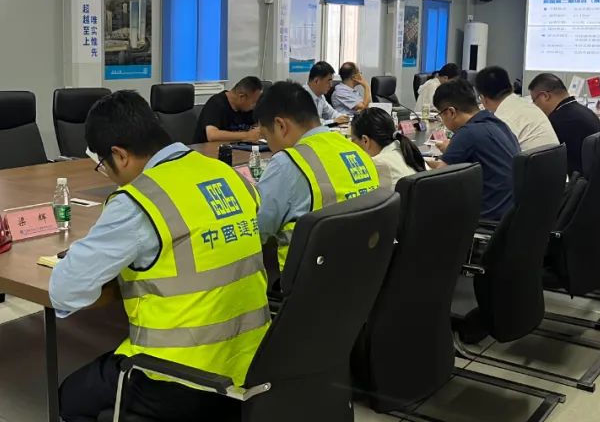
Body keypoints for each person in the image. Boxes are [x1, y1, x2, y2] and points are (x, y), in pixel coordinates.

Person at [53, 91, 269, 422]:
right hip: (252, 367)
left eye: (103, 165)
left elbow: (65, 290)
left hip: (178, 379)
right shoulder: (228, 174)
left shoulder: (139, 199)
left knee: (68, 399)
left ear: (119, 155)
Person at [256, 81, 378, 270]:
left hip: (306, 279)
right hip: (366, 271)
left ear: (280, 125)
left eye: (266, 136)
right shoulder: (356, 150)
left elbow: (256, 231)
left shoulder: (287, 163)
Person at [425, 78, 520, 221]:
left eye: (441, 115)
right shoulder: (497, 123)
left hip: (487, 220)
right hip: (510, 216)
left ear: (451, 112)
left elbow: (436, 181)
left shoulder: (467, 133)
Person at [528, 73, 600, 174]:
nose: (535, 106)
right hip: (594, 176)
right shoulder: (584, 111)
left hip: (575, 179)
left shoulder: (559, 121)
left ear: (545, 96)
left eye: (534, 101)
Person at [474, 66, 559, 152]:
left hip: (528, 160)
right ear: (512, 86)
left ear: (483, 99)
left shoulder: (501, 121)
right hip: (553, 159)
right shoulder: (528, 105)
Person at [350, 107, 425, 190]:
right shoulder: (405, 149)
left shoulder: (378, 163)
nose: (351, 144)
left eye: (353, 140)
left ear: (365, 140)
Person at [193, 76, 263, 143]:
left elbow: (256, 128)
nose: (255, 106)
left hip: (237, 148)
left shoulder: (247, 109)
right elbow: (212, 135)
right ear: (242, 97)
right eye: (254, 102)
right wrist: (246, 135)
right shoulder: (216, 103)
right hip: (206, 149)